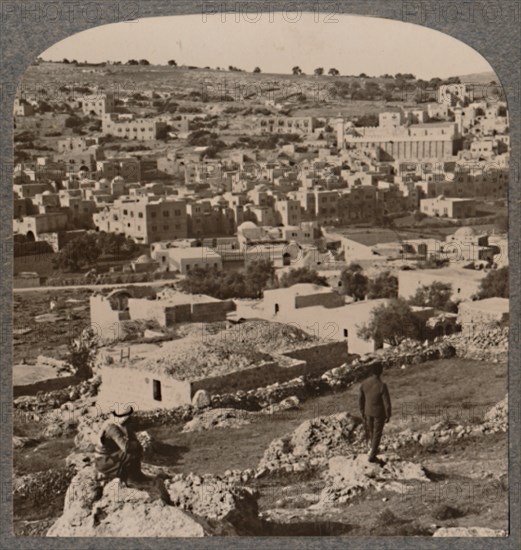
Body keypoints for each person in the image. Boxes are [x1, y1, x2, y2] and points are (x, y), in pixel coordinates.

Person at [95, 406, 170, 503]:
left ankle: (137, 475)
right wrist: (137, 444)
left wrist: (134, 440)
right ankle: (131, 480)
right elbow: (126, 447)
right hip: (105, 460)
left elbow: (130, 438)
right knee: (132, 453)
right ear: (122, 417)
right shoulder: (112, 428)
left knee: (135, 450)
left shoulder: (120, 424)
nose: (128, 419)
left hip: (112, 455)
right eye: (127, 417)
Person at [359, 363, 391, 465]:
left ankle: (373, 451)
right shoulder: (382, 385)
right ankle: (372, 455)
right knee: (377, 434)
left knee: (372, 432)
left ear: (371, 371)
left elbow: (361, 399)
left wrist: (362, 411)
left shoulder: (364, 383)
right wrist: (388, 414)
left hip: (367, 412)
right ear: (381, 372)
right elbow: (387, 403)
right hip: (379, 413)